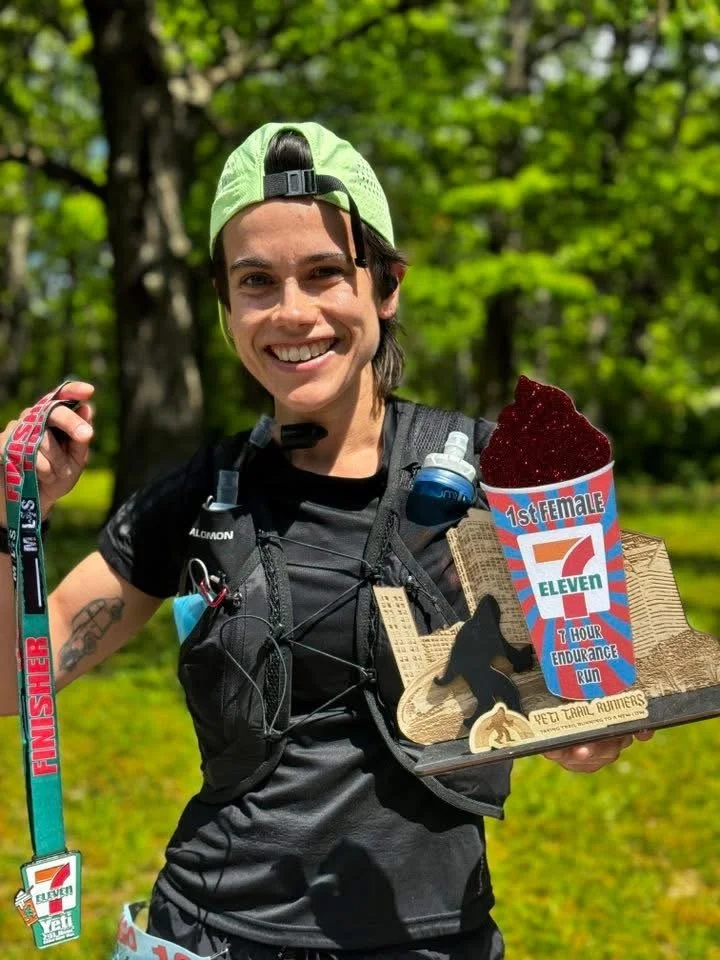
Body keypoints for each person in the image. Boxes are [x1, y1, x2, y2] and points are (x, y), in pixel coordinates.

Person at [0, 121, 651, 960]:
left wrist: (591, 725)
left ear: (385, 286)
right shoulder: (197, 495)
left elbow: (598, 686)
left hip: (437, 940)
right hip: (207, 936)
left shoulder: (507, 479)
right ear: (228, 307)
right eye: (257, 282)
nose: (293, 312)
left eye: (324, 274)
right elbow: (19, 688)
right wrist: (18, 517)